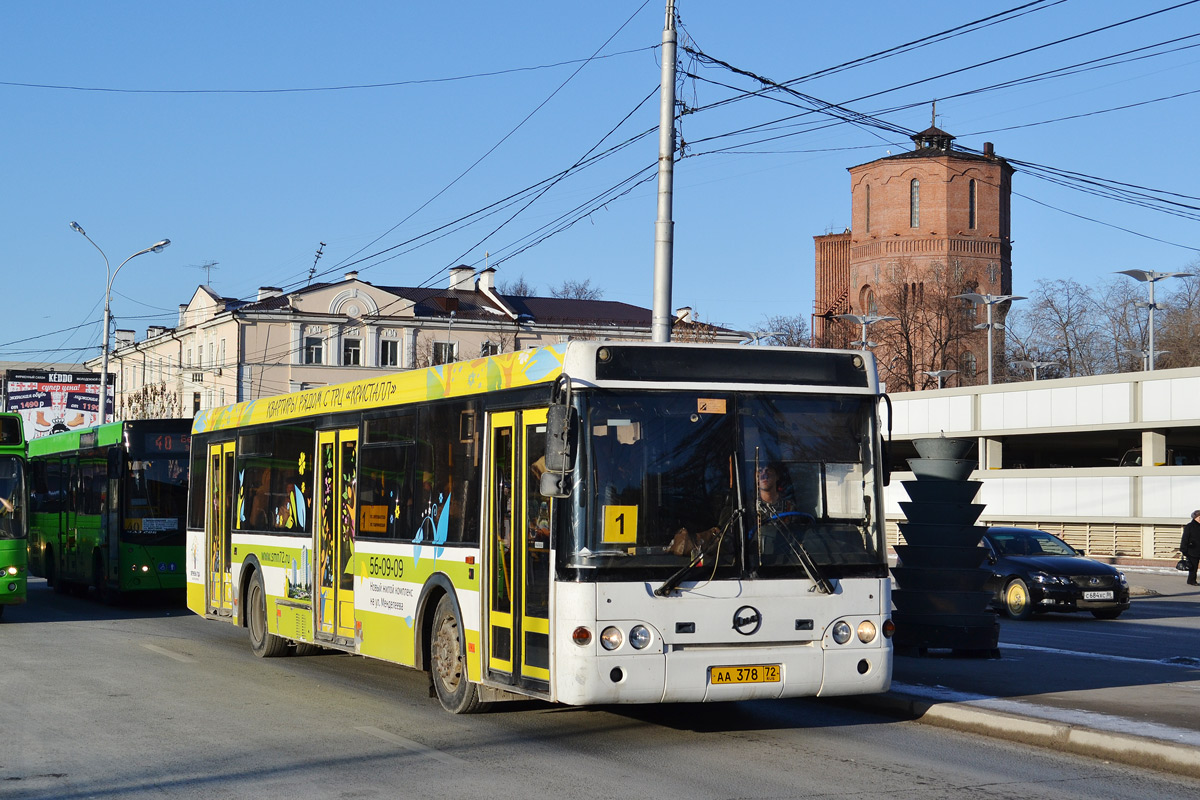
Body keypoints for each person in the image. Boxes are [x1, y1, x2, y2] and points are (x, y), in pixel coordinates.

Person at [1181, 509, 1200, 586]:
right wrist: (1184, 549)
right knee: (1193, 567)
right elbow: (1185, 538)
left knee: (1194, 566)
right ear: (1196, 517)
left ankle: (1191, 580)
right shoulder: (1189, 526)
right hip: (1192, 550)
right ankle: (1191, 580)